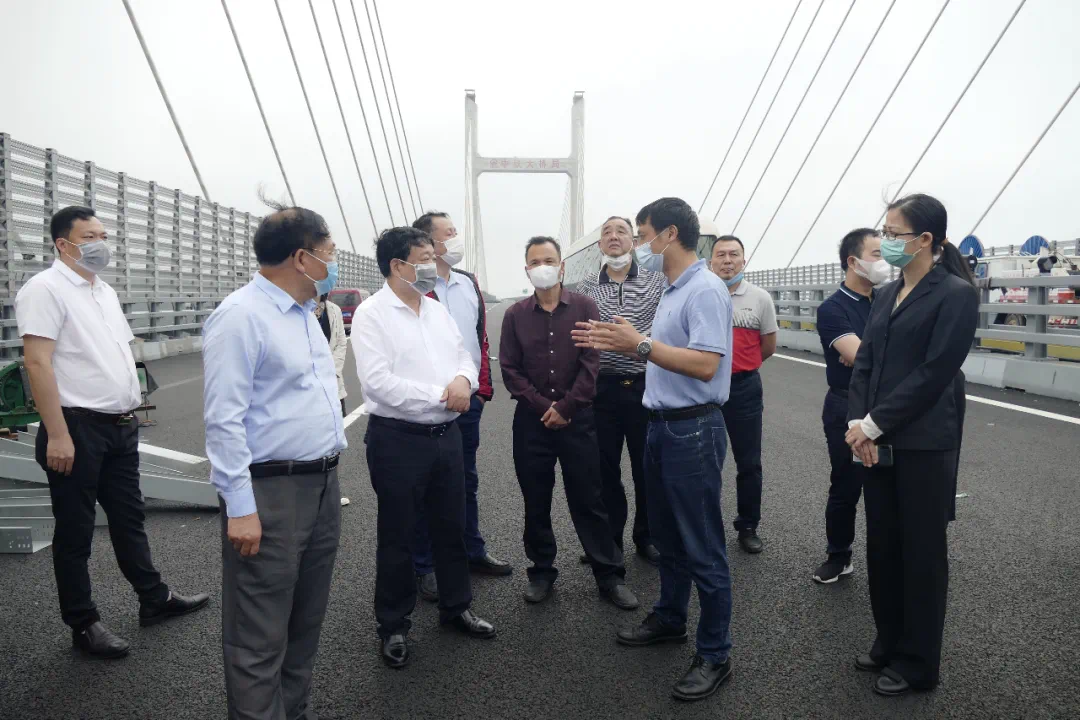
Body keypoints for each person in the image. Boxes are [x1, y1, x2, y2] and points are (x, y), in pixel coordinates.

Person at [16, 205, 208, 660]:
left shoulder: (100, 290)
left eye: (104, 234)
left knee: (129, 518)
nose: (102, 243)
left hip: (118, 427)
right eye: (90, 236)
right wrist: (57, 434)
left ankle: (153, 598)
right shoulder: (44, 289)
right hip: (76, 429)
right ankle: (83, 623)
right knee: (76, 533)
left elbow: (118, 353)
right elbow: (38, 362)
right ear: (63, 244)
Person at [576, 198, 735, 702]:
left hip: (693, 428)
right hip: (662, 425)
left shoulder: (705, 290)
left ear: (668, 235)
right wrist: (628, 340)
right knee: (668, 537)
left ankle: (715, 653)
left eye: (643, 235)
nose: (641, 246)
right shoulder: (672, 289)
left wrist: (638, 345)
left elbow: (707, 365)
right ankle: (670, 617)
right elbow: (659, 349)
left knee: (702, 545)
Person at [203, 201, 347, 718]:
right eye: (329, 253)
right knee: (258, 634)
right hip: (271, 492)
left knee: (304, 624)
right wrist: (240, 508)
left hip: (322, 484)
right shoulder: (241, 316)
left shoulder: (306, 314)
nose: (334, 264)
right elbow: (224, 420)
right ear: (303, 257)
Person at [846, 193, 978, 697]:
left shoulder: (956, 295)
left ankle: (919, 663)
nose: (887, 242)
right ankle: (889, 639)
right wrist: (857, 423)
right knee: (883, 545)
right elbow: (867, 363)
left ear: (925, 240)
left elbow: (934, 373)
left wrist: (874, 424)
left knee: (921, 552)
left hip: (924, 442)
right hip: (876, 438)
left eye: (895, 234)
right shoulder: (886, 294)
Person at [353, 226, 497, 670]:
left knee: (450, 527)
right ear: (398, 265)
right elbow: (378, 383)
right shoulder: (372, 315)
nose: (434, 265)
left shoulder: (436, 311)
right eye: (424, 257)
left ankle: (456, 608)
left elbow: (464, 358)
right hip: (399, 439)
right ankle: (393, 625)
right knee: (397, 534)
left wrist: (462, 381)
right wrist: (443, 394)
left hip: (445, 438)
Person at [499, 236, 638, 611]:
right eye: (535, 261)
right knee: (536, 499)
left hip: (578, 421)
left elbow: (592, 362)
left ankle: (609, 574)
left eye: (548, 259)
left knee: (589, 498)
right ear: (527, 270)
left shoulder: (584, 305)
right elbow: (510, 370)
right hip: (532, 422)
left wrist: (568, 407)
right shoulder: (515, 315)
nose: (542, 266)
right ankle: (542, 570)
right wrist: (546, 406)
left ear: (561, 267)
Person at [409, 211, 511, 606]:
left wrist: (482, 390)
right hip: (428, 405)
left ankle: (471, 550)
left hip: (468, 402)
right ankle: (424, 565)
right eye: (448, 234)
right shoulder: (415, 286)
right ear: (428, 243)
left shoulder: (468, 283)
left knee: (464, 481)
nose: (456, 239)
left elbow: (479, 339)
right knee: (423, 487)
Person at [575, 215, 666, 566]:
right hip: (602, 391)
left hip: (645, 387)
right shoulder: (583, 288)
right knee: (603, 471)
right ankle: (608, 541)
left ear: (634, 242)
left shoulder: (658, 283)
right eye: (607, 233)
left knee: (648, 468)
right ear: (600, 245)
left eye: (622, 232)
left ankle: (647, 536)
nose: (614, 237)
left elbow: (670, 329)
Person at [811, 228, 885, 584]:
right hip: (847, 406)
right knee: (846, 485)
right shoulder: (833, 308)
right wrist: (864, 354)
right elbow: (856, 355)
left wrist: (864, 355)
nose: (885, 262)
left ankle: (892, 559)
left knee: (890, 487)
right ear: (853, 262)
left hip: (890, 407)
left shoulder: (889, 299)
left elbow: (863, 356)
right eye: (877, 254)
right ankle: (838, 555)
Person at [709, 235, 777, 554]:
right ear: (710, 262)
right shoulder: (702, 295)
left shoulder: (760, 298)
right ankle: (704, 525)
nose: (727, 260)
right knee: (706, 461)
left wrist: (743, 367)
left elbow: (768, 346)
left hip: (744, 387)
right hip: (705, 387)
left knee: (748, 462)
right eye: (720, 255)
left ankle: (748, 525)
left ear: (743, 260)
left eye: (733, 254)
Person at [315, 293, 348, 417]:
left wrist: (330, 369)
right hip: (310, 388)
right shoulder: (300, 310)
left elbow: (341, 342)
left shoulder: (334, 309)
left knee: (338, 426)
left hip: (333, 382)